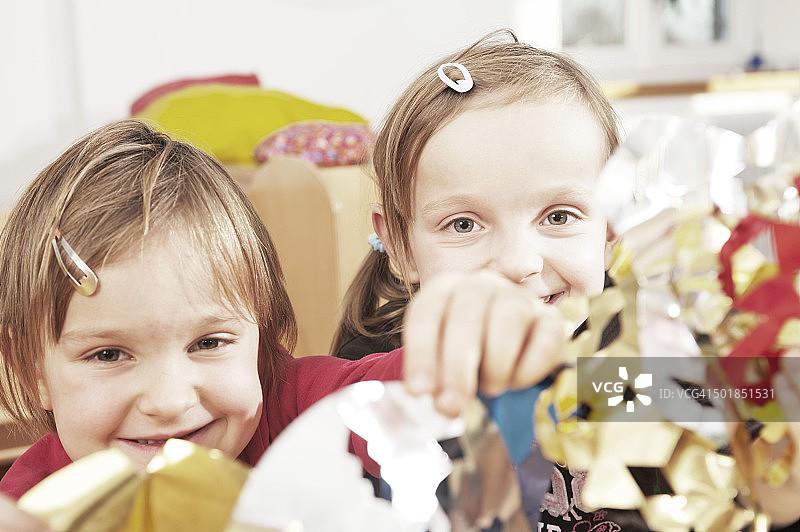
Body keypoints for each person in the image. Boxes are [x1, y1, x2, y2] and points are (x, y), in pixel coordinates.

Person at [0, 119, 565, 518]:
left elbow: (423, 388)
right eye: (108, 354)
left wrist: (480, 338)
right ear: (29, 374)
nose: (170, 401)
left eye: (210, 342)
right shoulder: (32, 504)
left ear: (262, 339)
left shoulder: (299, 410)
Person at [329, 29, 647, 531]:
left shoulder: (655, 352)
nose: (520, 263)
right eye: (463, 225)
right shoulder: (376, 385)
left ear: (610, 228)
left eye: (559, 216)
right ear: (400, 246)